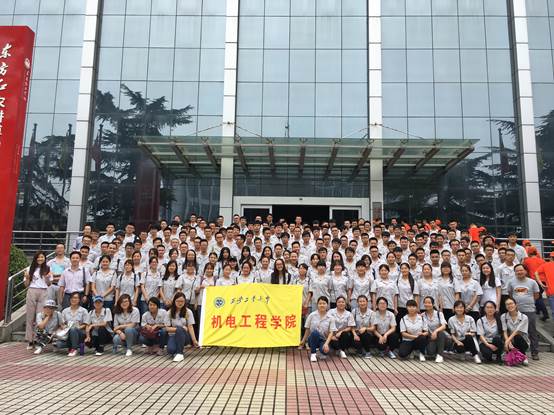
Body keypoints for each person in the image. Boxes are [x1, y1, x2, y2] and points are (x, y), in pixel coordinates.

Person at [506, 264, 540, 360]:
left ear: (526, 271)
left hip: (529, 310)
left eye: (521, 270)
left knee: (532, 331)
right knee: (516, 331)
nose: (519, 272)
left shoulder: (532, 282)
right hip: (516, 312)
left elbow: (536, 295)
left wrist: (528, 301)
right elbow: (510, 294)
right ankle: (516, 351)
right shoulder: (511, 282)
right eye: (517, 271)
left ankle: (535, 352)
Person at [24, 251, 52, 349]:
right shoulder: (29, 268)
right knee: (30, 317)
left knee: (40, 317)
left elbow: (49, 284)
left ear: (45, 258)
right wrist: (27, 278)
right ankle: (29, 340)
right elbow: (26, 285)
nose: (40, 259)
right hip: (32, 290)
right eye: (38, 257)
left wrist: (47, 277)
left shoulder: (48, 268)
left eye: (42, 257)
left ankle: (37, 339)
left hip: (43, 292)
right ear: (35, 258)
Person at [299, 296, 336, 362]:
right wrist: (303, 341)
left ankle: (320, 351)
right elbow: (307, 329)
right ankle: (313, 353)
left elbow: (331, 332)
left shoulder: (331, 318)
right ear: (317, 305)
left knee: (325, 351)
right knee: (315, 333)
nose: (322, 305)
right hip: (312, 339)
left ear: (327, 305)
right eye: (320, 303)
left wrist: (326, 344)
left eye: (324, 303)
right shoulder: (312, 315)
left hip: (323, 340)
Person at [166, 292, 199, 362]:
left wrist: (194, 340)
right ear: (174, 301)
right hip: (173, 335)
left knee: (180, 330)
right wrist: (178, 329)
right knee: (171, 350)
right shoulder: (169, 312)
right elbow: (167, 328)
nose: (180, 303)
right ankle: (177, 349)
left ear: (185, 302)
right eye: (178, 301)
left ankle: (180, 353)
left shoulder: (188, 312)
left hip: (185, 336)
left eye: (182, 301)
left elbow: (190, 327)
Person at [501, 297, 530, 366]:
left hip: (522, 341)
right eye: (507, 304)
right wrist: (507, 341)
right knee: (502, 338)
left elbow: (517, 331)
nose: (509, 306)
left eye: (511, 303)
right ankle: (511, 354)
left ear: (516, 305)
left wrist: (508, 341)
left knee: (517, 337)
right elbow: (504, 331)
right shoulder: (503, 316)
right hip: (510, 341)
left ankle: (523, 356)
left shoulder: (524, 317)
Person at [59, 292, 90, 357]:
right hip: (68, 333)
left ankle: (74, 349)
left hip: (80, 332)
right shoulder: (65, 311)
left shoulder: (84, 310)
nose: (73, 299)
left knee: (73, 329)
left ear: (79, 300)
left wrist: (77, 328)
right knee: (59, 344)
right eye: (72, 298)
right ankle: (77, 345)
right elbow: (62, 324)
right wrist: (64, 327)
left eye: (76, 298)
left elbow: (86, 324)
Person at [421, 296, 448, 363]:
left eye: (429, 303)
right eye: (425, 303)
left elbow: (444, 326)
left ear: (433, 304)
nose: (427, 304)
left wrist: (436, 331)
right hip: (431, 338)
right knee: (430, 352)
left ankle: (440, 355)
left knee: (441, 333)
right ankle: (437, 351)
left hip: (441, 337)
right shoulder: (422, 315)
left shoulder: (439, 314)